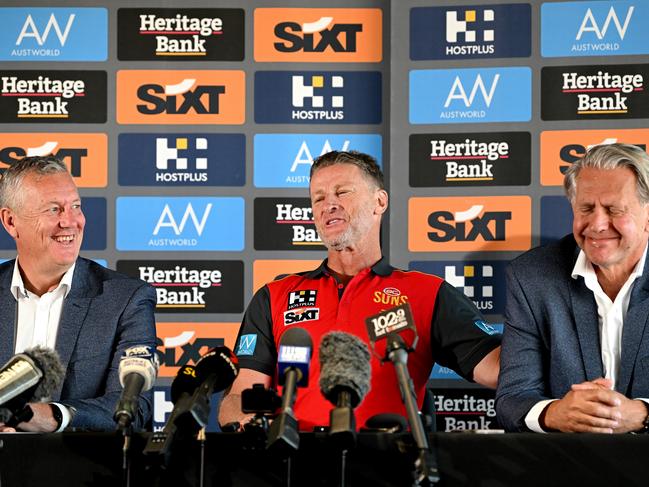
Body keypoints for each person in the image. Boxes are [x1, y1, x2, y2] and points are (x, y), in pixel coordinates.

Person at [219, 150, 501, 431]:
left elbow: (498, 370)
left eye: (342, 192)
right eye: (318, 198)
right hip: (294, 466)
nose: (328, 204)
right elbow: (239, 396)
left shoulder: (426, 292)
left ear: (379, 202)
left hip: (389, 466)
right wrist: (245, 422)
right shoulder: (274, 296)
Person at [496, 143, 649, 433]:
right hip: (569, 465)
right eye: (586, 208)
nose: (597, 224)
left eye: (613, 209)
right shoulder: (531, 277)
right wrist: (555, 413)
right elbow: (512, 398)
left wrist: (642, 413)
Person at [0, 156, 156, 432]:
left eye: (76, 207)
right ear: (11, 221)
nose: (71, 222)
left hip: (79, 468)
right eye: (53, 210)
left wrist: (50, 416)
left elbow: (132, 406)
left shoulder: (125, 299)